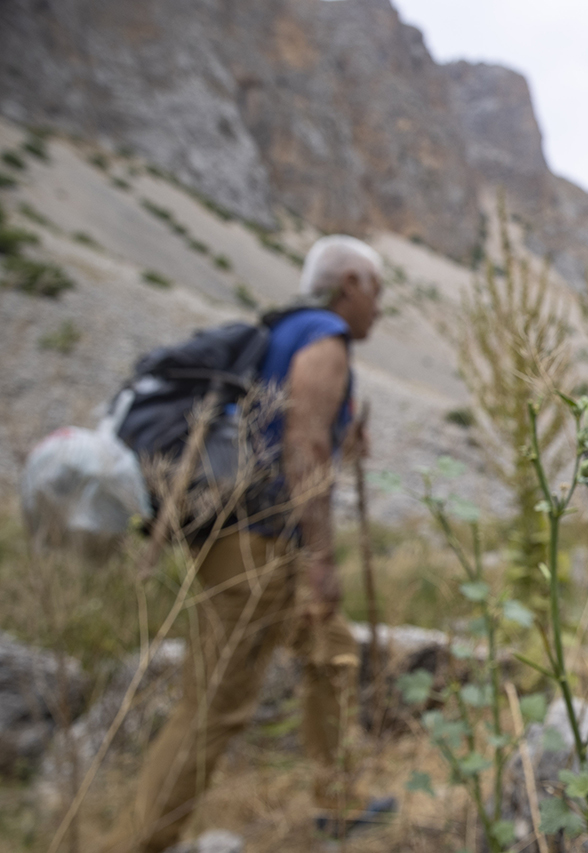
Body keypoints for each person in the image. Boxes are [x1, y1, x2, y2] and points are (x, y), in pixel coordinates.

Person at [103, 236, 389, 852]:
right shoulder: (324, 336)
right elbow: (304, 446)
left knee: (332, 650)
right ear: (350, 285)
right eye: (377, 289)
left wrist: (345, 445)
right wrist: (321, 558)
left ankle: (339, 802)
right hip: (259, 544)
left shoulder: (283, 332)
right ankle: (135, 844)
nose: (381, 306)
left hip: (252, 535)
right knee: (215, 704)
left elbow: (281, 433)